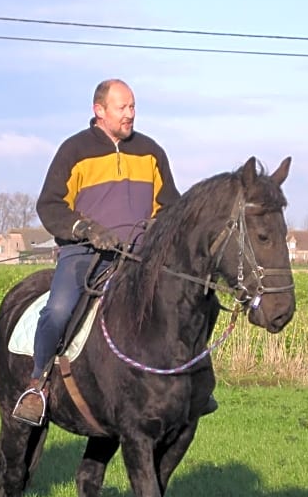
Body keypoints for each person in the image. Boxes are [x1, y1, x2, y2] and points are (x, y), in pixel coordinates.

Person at [13, 78, 197, 425]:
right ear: (99, 110)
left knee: (183, 308)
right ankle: (37, 385)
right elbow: (50, 205)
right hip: (85, 255)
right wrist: (85, 229)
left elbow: (169, 206)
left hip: (141, 258)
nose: (130, 114)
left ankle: (197, 384)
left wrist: (157, 228)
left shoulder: (151, 151)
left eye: (133, 107)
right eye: (122, 108)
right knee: (58, 309)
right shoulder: (74, 151)